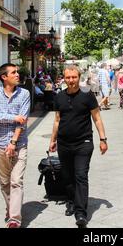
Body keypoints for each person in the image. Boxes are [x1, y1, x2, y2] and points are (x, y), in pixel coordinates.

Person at [49, 65, 108, 228]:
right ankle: (71, 201)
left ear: (79, 77)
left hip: (84, 142)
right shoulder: (59, 97)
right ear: (64, 78)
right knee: (67, 176)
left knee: (81, 175)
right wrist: (52, 140)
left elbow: (96, 118)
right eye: (68, 77)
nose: (71, 81)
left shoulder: (87, 95)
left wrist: (103, 139)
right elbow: (57, 120)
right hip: (63, 143)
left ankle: (81, 212)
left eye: (74, 77)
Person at [0, 63, 30, 228]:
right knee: (4, 182)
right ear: (4, 77)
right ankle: (11, 208)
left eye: (17, 72)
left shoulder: (24, 93)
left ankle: (14, 219)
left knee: (16, 181)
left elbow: (23, 120)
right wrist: (12, 117)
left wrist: (13, 142)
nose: (18, 74)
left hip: (19, 143)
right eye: (13, 72)